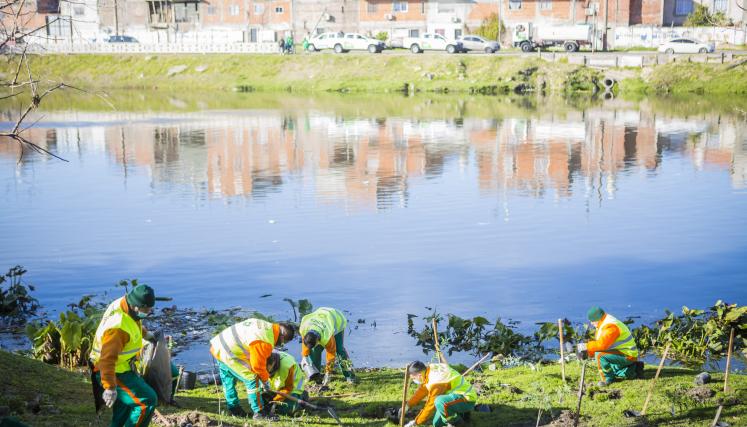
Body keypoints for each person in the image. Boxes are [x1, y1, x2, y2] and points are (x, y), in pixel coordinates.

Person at [90, 284, 160, 427]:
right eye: (147, 310)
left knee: (124, 407)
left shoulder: (125, 304)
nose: (149, 312)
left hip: (121, 366)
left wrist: (146, 334)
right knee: (146, 401)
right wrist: (109, 387)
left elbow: (133, 322)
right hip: (112, 370)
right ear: (136, 306)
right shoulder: (117, 329)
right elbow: (107, 359)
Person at [209, 318, 296, 420]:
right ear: (282, 337)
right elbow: (257, 366)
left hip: (218, 346)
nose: (280, 345)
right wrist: (265, 380)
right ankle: (259, 412)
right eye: (283, 343)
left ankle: (234, 409)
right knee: (252, 378)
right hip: (230, 353)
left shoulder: (266, 325)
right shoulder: (265, 340)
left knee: (228, 379)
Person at [576, 306, 643, 386]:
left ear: (597, 319)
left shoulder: (610, 326)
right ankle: (633, 369)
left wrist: (586, 347)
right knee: (613, 368)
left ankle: (608, 379)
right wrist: (588, 353)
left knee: (600, 356)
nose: (591, 323)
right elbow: (602, 343)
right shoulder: (605, 321)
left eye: (592, 321)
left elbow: (602, 345)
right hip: (622, 352)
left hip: (628, 355)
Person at [402, 361, 477, 427]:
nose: (414, 380)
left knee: (439, 401)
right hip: (455, 398)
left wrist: (416, 422)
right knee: (437, 424)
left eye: (413, 378)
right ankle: (463, 415)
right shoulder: (429, 370)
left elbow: (430, 405)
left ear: (419, 375)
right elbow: (423, 390)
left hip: (466, 399)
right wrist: (408, 405)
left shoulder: (436, 381)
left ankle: (456, 423)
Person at [299, 307, 356, 384]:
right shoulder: (304, 329)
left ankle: (350, 375)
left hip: (337, 320)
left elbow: (331, 355)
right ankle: (315, 375)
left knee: (339, 350)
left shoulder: (326, 336)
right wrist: (304, 356)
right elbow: (305, 343)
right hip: (321, 316)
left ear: (318, 340)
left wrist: (328, 372)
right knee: (315, 351)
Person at [264, 351, 306, 416]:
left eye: (266, 368)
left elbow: (288, 387)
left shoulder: (286, 366)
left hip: (293, 389)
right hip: (277, 388)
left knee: (286, 409)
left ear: (272, 363)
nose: (265, 370)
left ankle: (303, 396)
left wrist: (276, 401)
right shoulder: (264, 357)